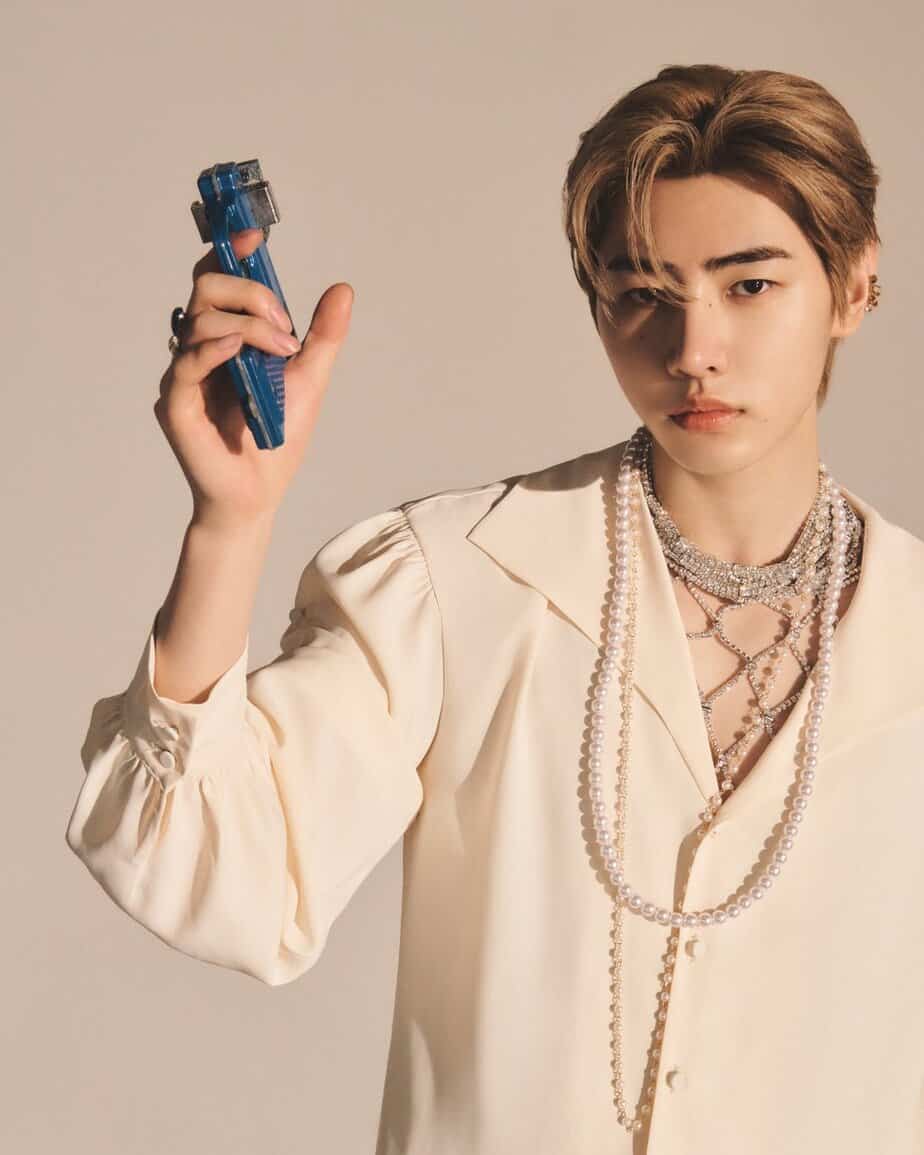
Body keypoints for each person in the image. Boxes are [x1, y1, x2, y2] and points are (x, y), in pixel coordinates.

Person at [65, 64, 924, 1153]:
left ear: (854, 284)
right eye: (642, 293)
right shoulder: (460, 580)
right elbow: (210, 869)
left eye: (749, 285)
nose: (692, 349)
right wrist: (230, 526)